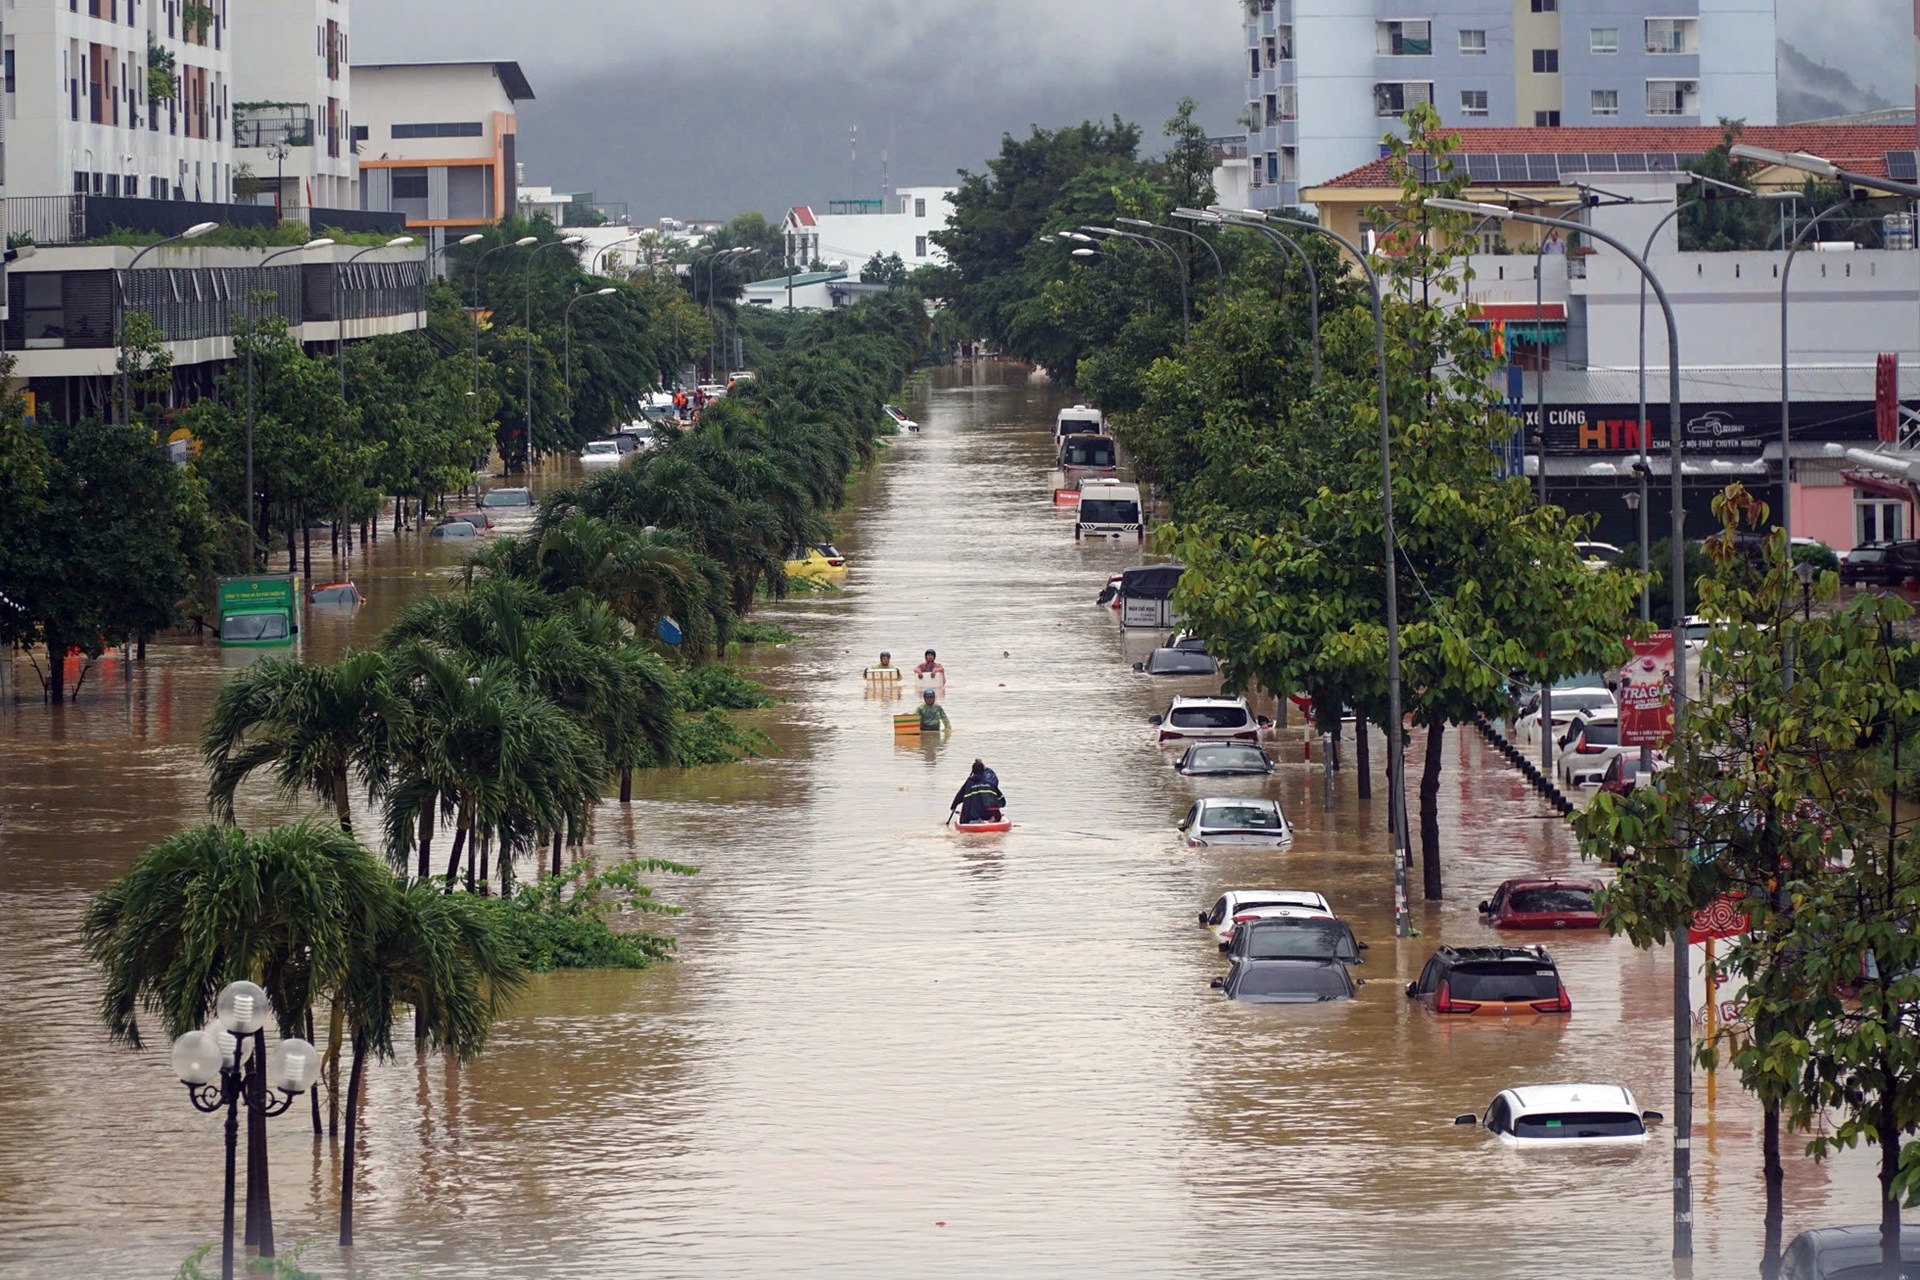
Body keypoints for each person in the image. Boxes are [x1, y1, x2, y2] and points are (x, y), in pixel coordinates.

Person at [950, 758, 1005, 824]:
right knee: (991, 807)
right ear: (983, 770)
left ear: (973, 771)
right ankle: (991, 818)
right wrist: (981, 763)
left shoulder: (969, 782)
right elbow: (990, 772)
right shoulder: (990, 779)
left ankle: (977, 820)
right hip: (988, 813)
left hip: (974, 814)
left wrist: (953, 806)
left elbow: (959, 795)